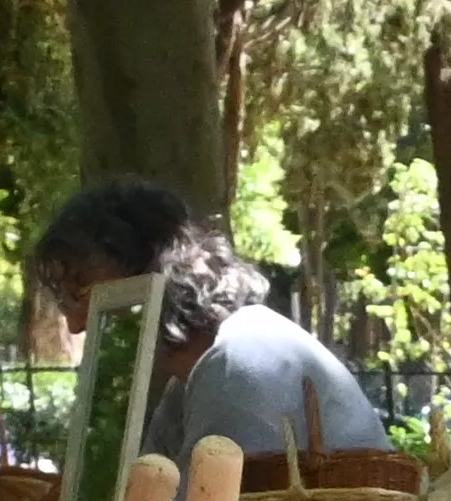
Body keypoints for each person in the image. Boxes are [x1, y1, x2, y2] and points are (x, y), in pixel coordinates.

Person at [27, 178, 387, 465]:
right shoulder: (188, 383)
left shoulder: (241, 362)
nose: (75, 325)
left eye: (79, 294)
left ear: (147, 271)